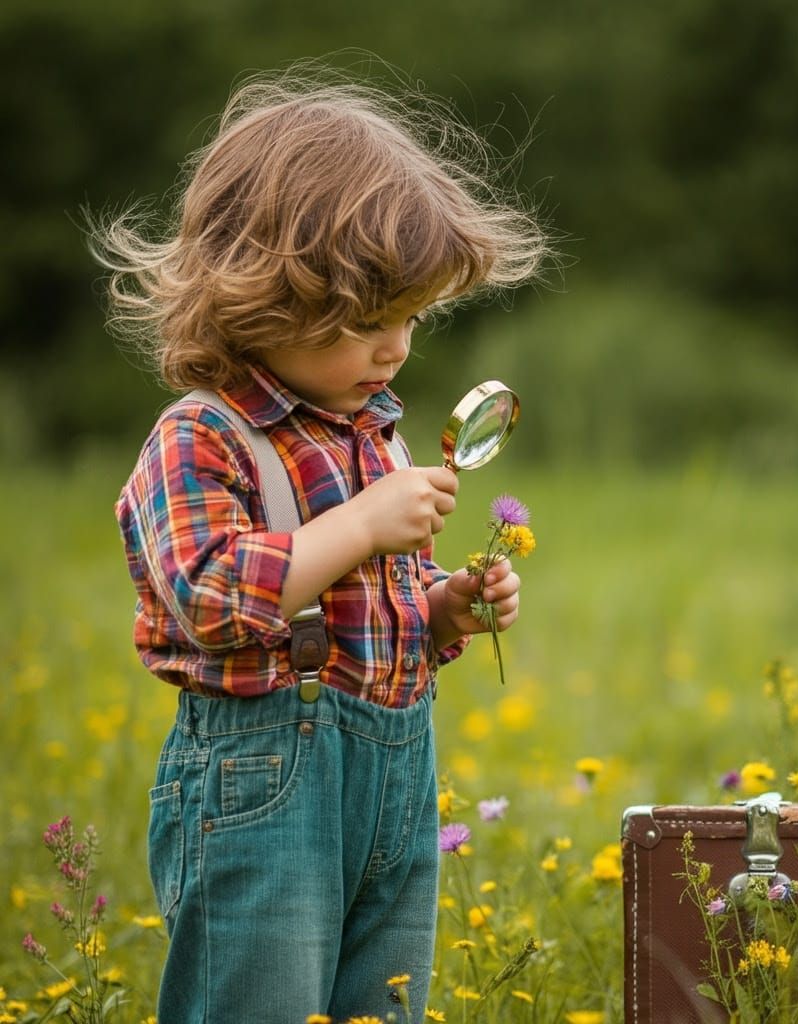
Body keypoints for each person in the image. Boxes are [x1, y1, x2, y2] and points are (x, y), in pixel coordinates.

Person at [90, 67, 549, 1023]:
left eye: (412, 319)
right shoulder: (202, 436)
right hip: (264, 785)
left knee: (383, 1003)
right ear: (261, 297)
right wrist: (359, 524)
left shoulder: (372, 430)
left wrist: (444, 608)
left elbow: (372, 608)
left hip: (393, 771)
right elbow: (211, 600)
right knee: (258, 1003)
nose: (397, 351)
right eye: (368, 323)